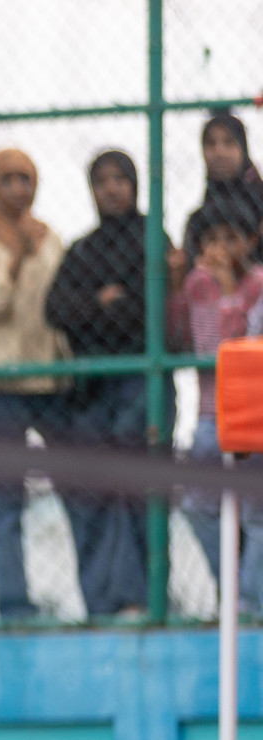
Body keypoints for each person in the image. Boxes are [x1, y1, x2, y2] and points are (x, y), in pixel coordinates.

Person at [44, 151, 177, 618]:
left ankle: (148, 598)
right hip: (91, 390)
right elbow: (55, 310)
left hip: (141, 382)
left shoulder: (152, 238)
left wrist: (97, 308)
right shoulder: (82, 249)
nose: (112, 189)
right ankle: (103, 604)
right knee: (93, 494)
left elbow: (146, 309)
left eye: (121, 178)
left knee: (141, 488)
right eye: (102, 180)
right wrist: (104, 303)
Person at [0, 149, 73, 621]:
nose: (18, 189)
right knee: (7, 495)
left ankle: (101, 597)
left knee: (75, 486)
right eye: (8, 180)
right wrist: (16, 259)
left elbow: (61, 304)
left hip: (49, 380)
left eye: (26, 179)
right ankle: (13, 602)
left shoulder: (49, 238)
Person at [179, 197, 263, 615]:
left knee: (256, 513)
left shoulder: (258, 283)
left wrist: (231, 290)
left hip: (254, 417)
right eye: (212, 240)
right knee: (197, 505)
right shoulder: (198, 284)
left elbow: (243, 345)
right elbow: (214, 345)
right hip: (212, 415)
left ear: (250, 241)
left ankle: (249, 601)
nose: (221, 249)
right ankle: (231, 589)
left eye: (231, 239)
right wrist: (223, 290)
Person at [181, 112, 263, 266]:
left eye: (229, 142)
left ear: (243, 149)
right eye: (211, 144)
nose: (219, 152)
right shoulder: (198, 219)